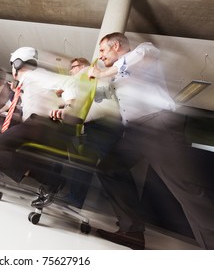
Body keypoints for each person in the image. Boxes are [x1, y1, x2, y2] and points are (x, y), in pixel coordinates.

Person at [87, 32, 214, 250]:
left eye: (102, 50)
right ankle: (133, 231)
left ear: (115, 45)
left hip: (159, 127)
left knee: (187, 189)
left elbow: (142, 56)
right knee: (109, 168)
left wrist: (101, 72)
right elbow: (99, 101)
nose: (100, 55)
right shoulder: (115, 77)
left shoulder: (144, 51)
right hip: (135, 133)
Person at [0, 47, 94, 209]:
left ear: (17, 63)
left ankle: (52, 181)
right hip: (37, 127)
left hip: (39, 125)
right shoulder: (28, 80)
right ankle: (50, 181)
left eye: (12, 64)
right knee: (5, 150)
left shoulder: (34, 75)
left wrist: (68, 107)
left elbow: (68, 82)